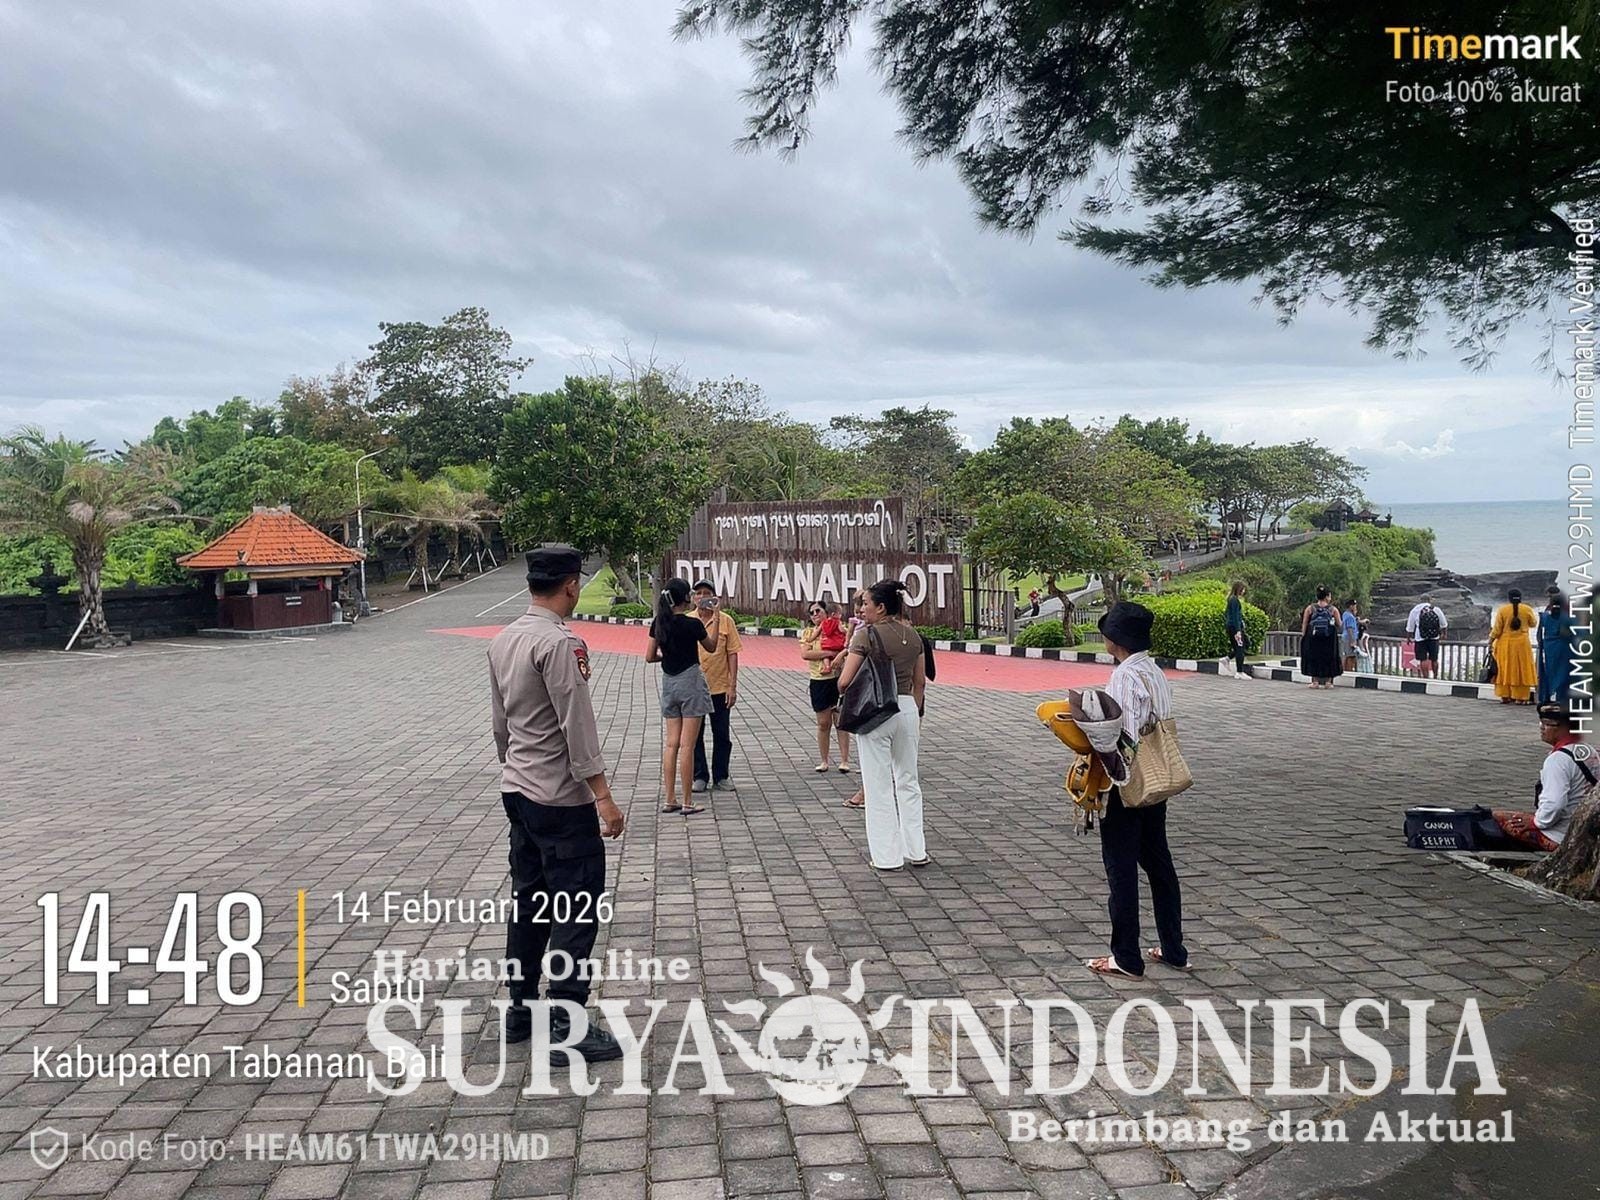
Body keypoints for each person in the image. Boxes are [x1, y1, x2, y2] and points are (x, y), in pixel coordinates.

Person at [487, 545, 626, 1057]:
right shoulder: (560, 644)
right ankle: (568, 1021)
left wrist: (514, 765)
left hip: (518, 790)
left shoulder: (504, 639)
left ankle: (520, 1011)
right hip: (560, 800)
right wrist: (603, 795)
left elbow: (500, 723)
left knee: (530, 905)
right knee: (576, 908)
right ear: (571, 585)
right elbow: (577, 724)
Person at [1085, 600, 1189, 978]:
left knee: (1121, 866)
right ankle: (1174, 948)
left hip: (1128, 781)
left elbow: (1125, 736)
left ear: (1116, 639)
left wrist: (1105, 770)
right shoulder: (1154, 671)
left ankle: (1126, 956)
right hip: (1156, 780)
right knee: (1159, 863)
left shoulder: (1125, 676)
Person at [837, 580, 927, 870]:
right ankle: (916, 850)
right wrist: (914, 713)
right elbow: (920, 682)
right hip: (908, 709)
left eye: (866, 603)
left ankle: (887, 857)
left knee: (877, 785)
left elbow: (844, 681)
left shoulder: (866, 635)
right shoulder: (914, 636)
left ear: (881, 607)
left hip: (876, 712)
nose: (862, 609)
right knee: (908, 781)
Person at [647, 577, 718, 814]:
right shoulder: (693, 624)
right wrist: (716, 617)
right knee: (688, 745)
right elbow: (711, 647)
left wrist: (666, 657)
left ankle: (670, 798)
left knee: (671, 744)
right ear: (685, 598)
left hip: (669, 683)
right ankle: (688, 801)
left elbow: (649, 656)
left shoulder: (659, 622)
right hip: (691, 682)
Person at [1492, 706, 1594, 851]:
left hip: (1559, 836)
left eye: (1547, 724)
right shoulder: (1588, 750)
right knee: (1504, 815)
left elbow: (1555, 804)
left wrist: (1536, 822)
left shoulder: (1557, 760)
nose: (1541, 728)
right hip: (1583, 828)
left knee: (1495, 820)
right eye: (1542, 722)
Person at [691, 579, 743, 794]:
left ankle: (721, 776)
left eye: (707, 593)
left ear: (715, 597)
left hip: (720, 687)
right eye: (699, 593)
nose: (703, 597)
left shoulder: (726, 621)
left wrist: (732, 686)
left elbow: (732, 653)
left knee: (721, 734)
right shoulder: (688, 621)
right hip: (694, 688)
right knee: (695, 735)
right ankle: (699, 776)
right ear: (693, 598)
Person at [800, 601, 851, 774]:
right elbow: (806, 654)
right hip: (818, 681)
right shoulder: (809, 632)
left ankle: (844, 760)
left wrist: (838, 654)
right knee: (823, 723)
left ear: (826, 612)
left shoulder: (839, 627)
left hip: (838, 679)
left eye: (818, 611)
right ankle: (824, 760)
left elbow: (849, 647)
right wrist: (831, 653)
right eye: (811, 612)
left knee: (840, 721)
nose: (815, 614)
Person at [1489, 588, 1538, 705]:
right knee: (1521, 669)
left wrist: (1490, 641)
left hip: (1505, 644)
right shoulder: (1527, 609)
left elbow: (1497, 629)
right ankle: (1520, 697)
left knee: (1504, 669)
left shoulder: (1502, 610)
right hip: (1522, 644)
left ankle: (1505, 696)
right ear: (1520, 598)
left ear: (1509, 598)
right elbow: (1533, 623)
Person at [1538, 590, 1578, 705]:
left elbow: (1539, 634)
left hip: (1548, 647)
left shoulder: (1544, 616)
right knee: (1564, 671)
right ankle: (1561, 696)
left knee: (1549, 671)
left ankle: (1548, 695)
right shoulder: (1567, 617)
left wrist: (1542, 645)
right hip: (1564, 647)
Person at [1299, 586, 1343, 689]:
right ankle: (1328, 682)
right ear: (1327, 597)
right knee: (1329, 658)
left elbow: (1305, 623)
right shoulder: (1333, 609)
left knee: (1314, 657)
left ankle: (1315, 682)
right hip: (1329, 638)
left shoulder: (1310, 608)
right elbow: (1339, 624)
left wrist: (1304, 636)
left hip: (1313, 638)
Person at [1405, 592, 1447, 678]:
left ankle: (1425, 678)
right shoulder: (1436, 609)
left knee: (1423, 659)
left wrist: (1408, 637)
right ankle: (1435, 677)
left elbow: (1410, 627)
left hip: (1420, 638)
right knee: (1434, 659)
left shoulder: (1415, 610)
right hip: (1434, 637)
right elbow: (1444, 624)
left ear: (1420, 600)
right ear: (1430, 600)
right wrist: (1444, 634)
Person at [1224, 580, 1251, 679]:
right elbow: (1235, 616)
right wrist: (1238, 630)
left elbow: (1227, 613)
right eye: (1243, 589)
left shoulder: (1231, 599)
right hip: (1235, 628)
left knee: (1246, 643)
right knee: (1240, 648)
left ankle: (1228, 658)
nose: (1244, 591)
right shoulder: (1234, 600)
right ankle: (1239, 671)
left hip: (1233, 626)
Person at [1340, 599, 1363, 673]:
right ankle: (1348, 672)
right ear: (1351, 606)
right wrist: (1353, 641)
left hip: (1345, 638)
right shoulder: (1350, 616)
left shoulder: (1345, 614)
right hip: (1349, 638)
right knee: (1351, 657)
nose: (1355, 607)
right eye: (1354, 606)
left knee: (1346, 655)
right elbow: (1350, 629)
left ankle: (1344, 672)